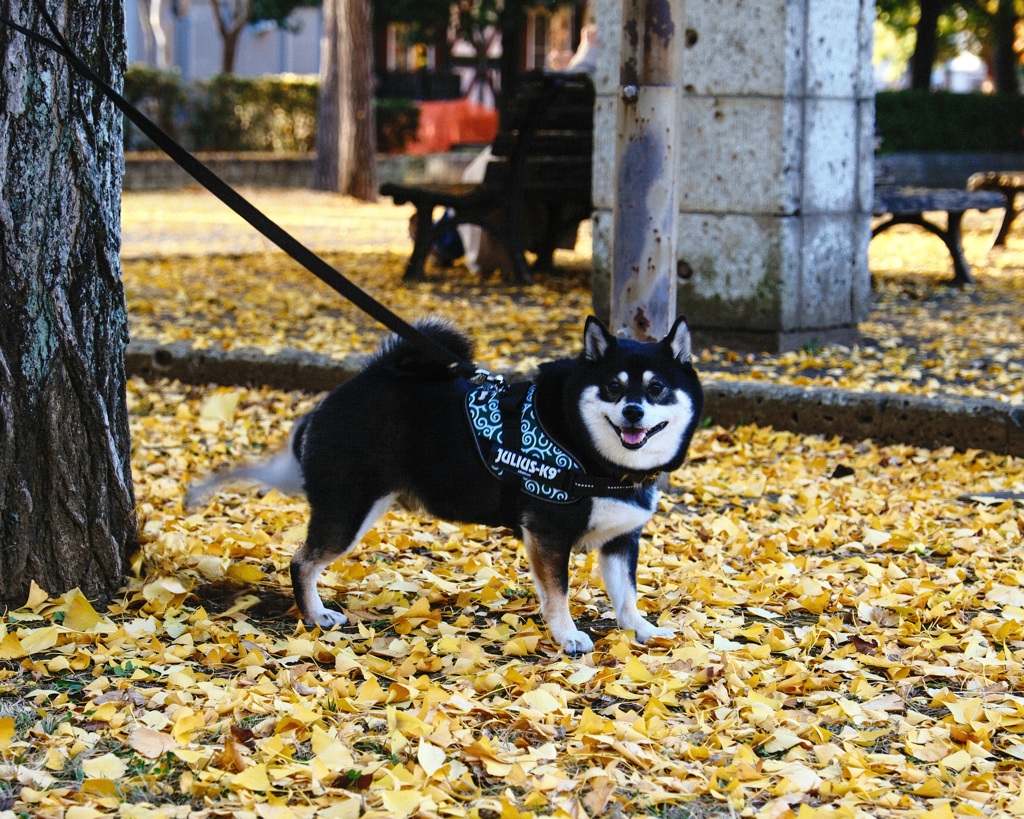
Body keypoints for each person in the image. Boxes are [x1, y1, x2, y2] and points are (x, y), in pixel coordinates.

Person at [457, 22, 599, 278]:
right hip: (569, 175)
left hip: (523, 176)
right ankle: (442, 241)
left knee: (480, 185)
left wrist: (586, 52)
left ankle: (441, 243)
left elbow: (574, 79)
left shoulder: (571, 85)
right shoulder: (596, 87)